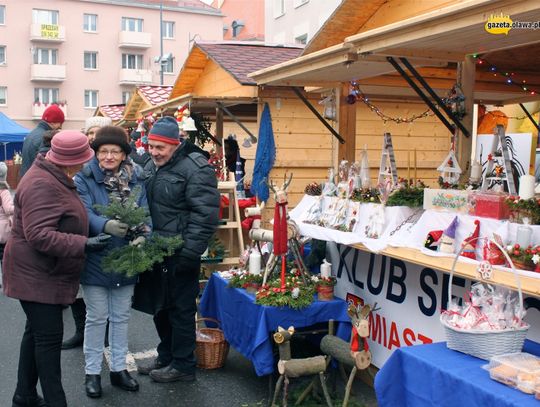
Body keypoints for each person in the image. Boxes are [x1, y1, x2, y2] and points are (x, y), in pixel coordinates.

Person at [2, 131, 110, 407]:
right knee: (48, 342)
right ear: (71, 160)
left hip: (40, 273)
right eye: (86, 157)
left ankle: (24, 396)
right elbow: (39, 235)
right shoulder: (43, 184)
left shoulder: (51, 174)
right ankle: (55, 401)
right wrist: (84, 243)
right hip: (37, 274)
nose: (90, 161)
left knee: (35, 334)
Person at [133, 116, 219, 383]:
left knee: (180, 309)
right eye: (151, 146)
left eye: (161, 148)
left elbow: (205, 214)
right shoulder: (149, 164)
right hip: (154, 249)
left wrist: (190, 252)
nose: (154, 152)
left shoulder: (196, 168)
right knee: (159, 306)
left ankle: (183, 365)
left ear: (175, 145)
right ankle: (166, 355)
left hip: (181, 252)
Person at [74, 126, 149, 398]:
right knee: (96, 318)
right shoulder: (84, 178)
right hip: (96, 256)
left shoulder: (136, 178)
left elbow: (145, 213)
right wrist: (104, 225)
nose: (108, 156)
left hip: (126, 258)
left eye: (114, 151)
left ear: (123, 154)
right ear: (96, 153)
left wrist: (144, 235)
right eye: (103, 151)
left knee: (120, 317)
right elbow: (82, 212)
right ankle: (92, 373)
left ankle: (118, 370)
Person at [61, 117, 112, 350]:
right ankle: (82, 330)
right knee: (78, 289)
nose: (93, 136)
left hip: (102, 233)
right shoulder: (75, 161)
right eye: (90, 132)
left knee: (105, 288)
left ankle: (105, 333)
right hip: (78, 233)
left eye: (98, 132)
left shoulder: (111, 161)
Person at [20, 104, 65, 177]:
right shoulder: (46, 138)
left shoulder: (30, 134)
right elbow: (48, 167)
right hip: (37, 182)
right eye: (60, 123)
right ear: (53, 122)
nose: (60, 127)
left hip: (27, 180)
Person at [0, 161, 14, 287]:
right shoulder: (3, 192)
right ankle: (6, 280)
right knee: (5, 257)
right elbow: (8, 208)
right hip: (3, 231)